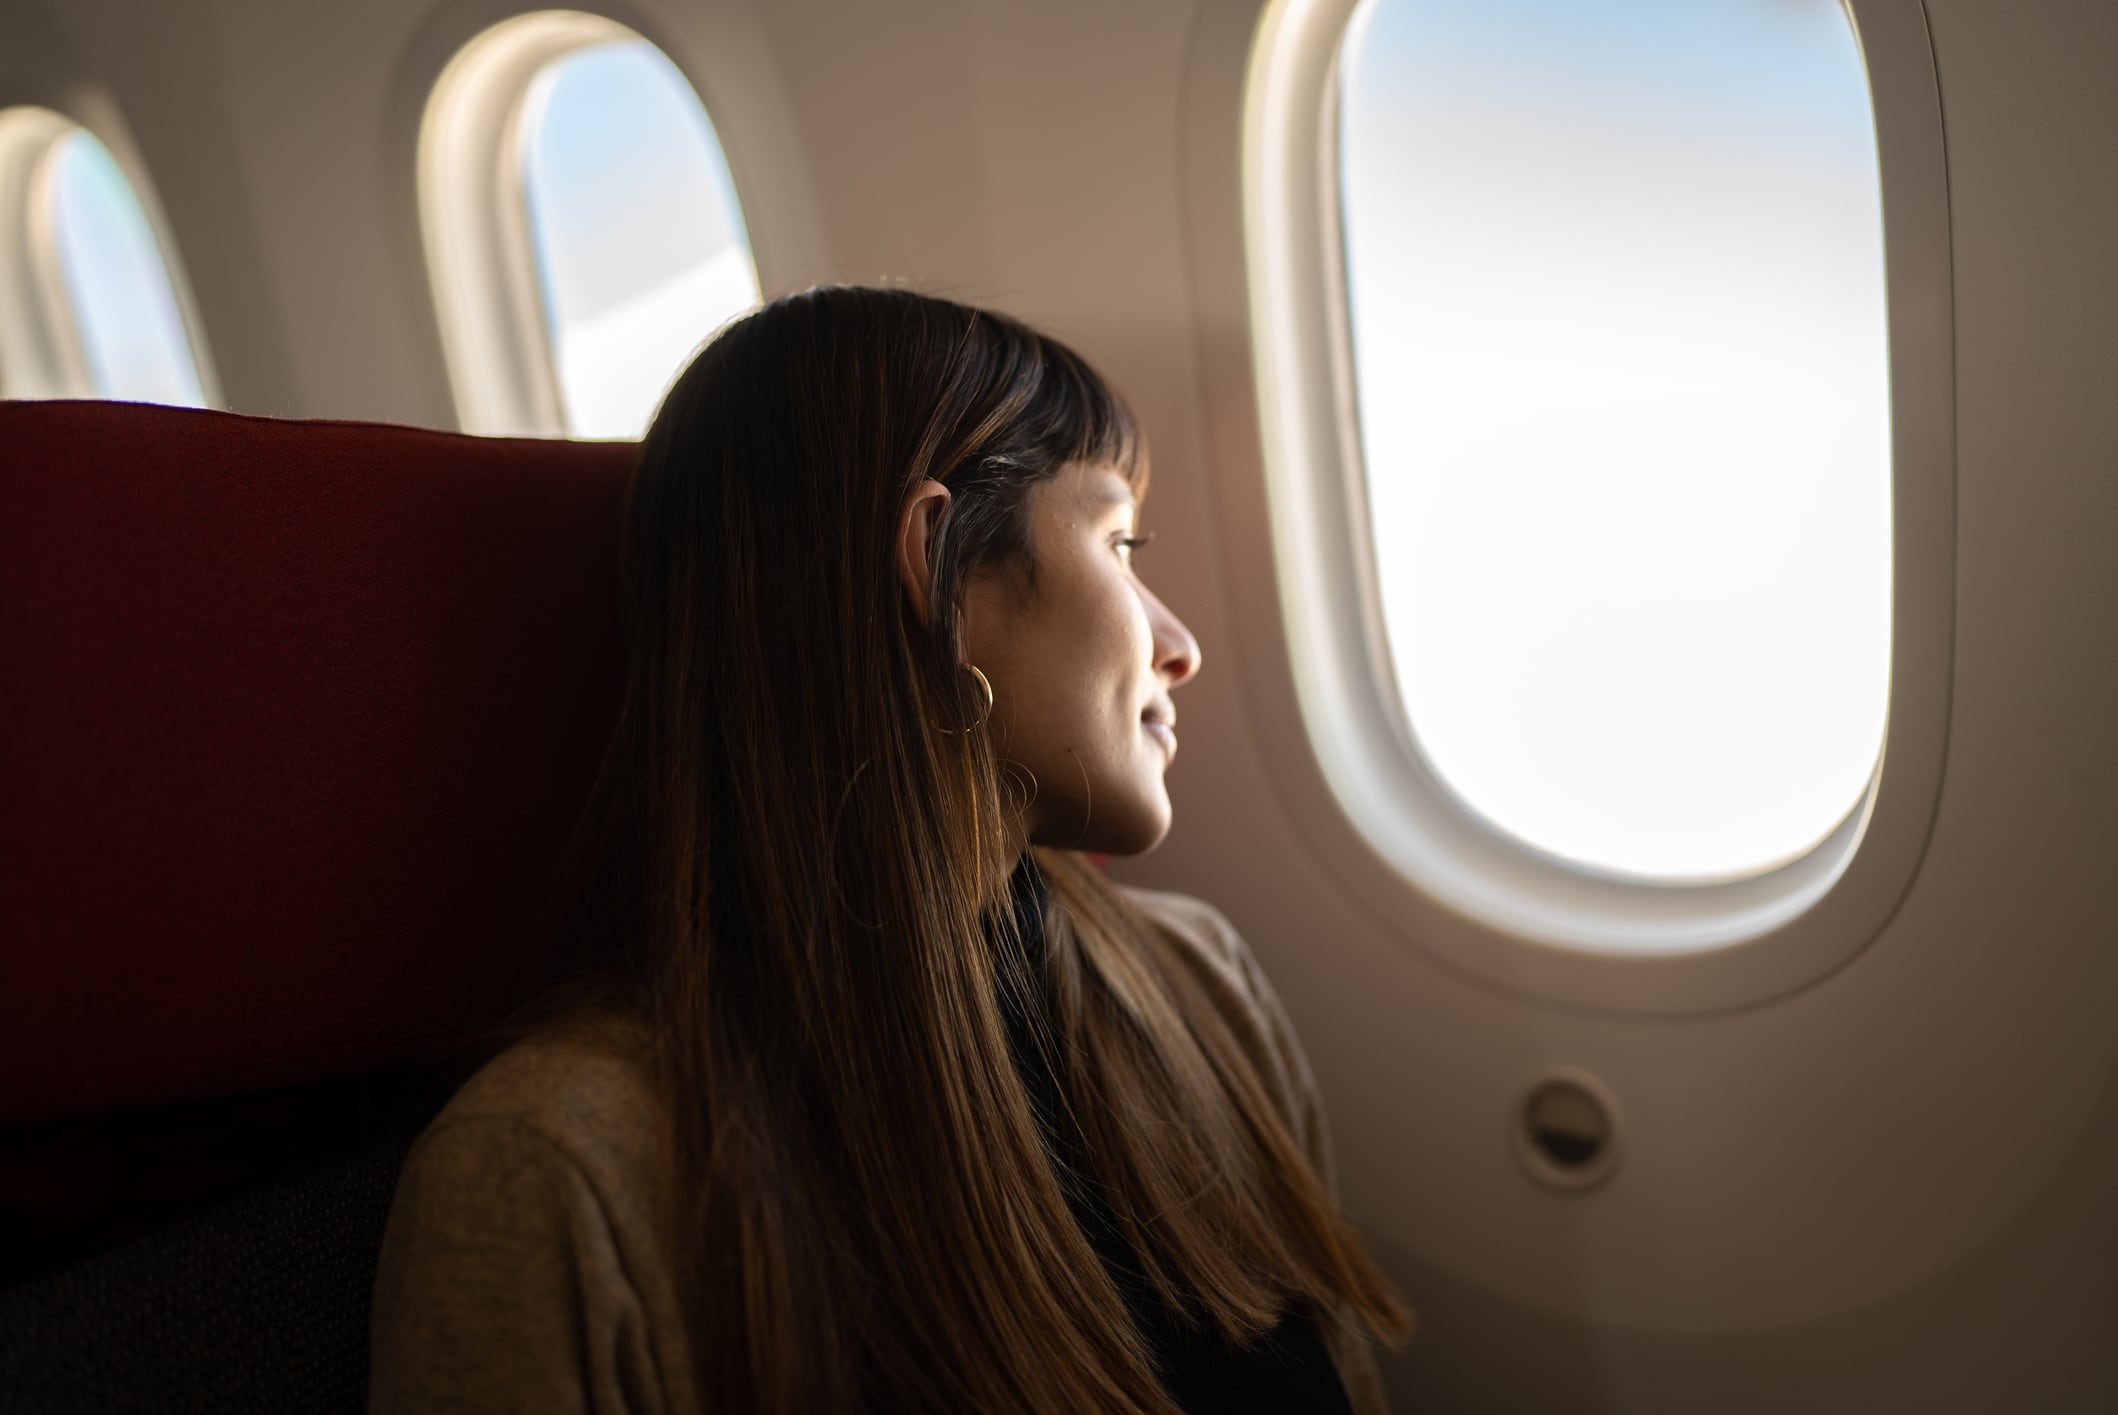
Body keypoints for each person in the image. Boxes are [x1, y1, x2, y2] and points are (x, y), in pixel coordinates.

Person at [367, 285, 1412, 1414]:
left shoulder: (1197, 982)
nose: (1181, 645)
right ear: (943, 569)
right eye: (1121, 541)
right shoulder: (558, 1174)